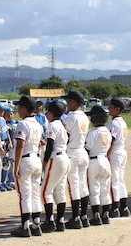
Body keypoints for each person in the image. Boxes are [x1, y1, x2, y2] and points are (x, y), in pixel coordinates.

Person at [10, 95, 44, 237]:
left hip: (26, 160)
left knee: (25, 195)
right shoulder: (37, 123)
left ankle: (25, 227)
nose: (18, 109)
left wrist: (16, 165)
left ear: (24, 108)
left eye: (19, 107)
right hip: (36, 159)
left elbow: (20, 146)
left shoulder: (23, 123)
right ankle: (36, 225)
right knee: (35, 193)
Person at [60, 90, 90, 228]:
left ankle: (75, 218)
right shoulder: (84, 116)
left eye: (68, 101)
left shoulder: (70, 117)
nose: (66, 104)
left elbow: (64, 137)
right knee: (82, 185)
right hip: (82, 152)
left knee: (74, 187)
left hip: (72, 152)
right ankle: (84, 216)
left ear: (73, 102)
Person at [40, 100, 70, 232]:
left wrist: (45, 161)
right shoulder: (62, 125)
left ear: (51, 112)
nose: (46, 113)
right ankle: (61, 221)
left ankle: (49, 221)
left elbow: (50, 145)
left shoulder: (52, 126)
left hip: (55, 158)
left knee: (46, 191)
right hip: (64, 158)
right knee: (60, 191)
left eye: (48, 111)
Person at [85, 105, 112, 225]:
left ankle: (96, 215)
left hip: (94, 161)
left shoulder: (93, 132)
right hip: (105, 160)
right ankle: (105, 214)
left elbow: (87, 149)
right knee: (105, 189)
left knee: (94, 189)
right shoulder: (107, 131)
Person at [107, 97, 129, 217]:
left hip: (115, 152)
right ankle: (124, 207)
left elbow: (112, 140)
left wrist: (107, 154)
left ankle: (115, 207)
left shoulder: (114, 123)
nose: (109, 109)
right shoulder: (122, 122)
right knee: (120, 180)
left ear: (117, 109)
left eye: (111, 107)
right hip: (121, 152)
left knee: (113, 181)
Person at [0, 102, 12, 192]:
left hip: (6, 142)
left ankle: (4, 182)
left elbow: (7, 132)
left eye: (3, 110)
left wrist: (10, 141)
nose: (2, 111)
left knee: (6, 163)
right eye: (0, 110)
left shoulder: (3, 119)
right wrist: (0, 145)